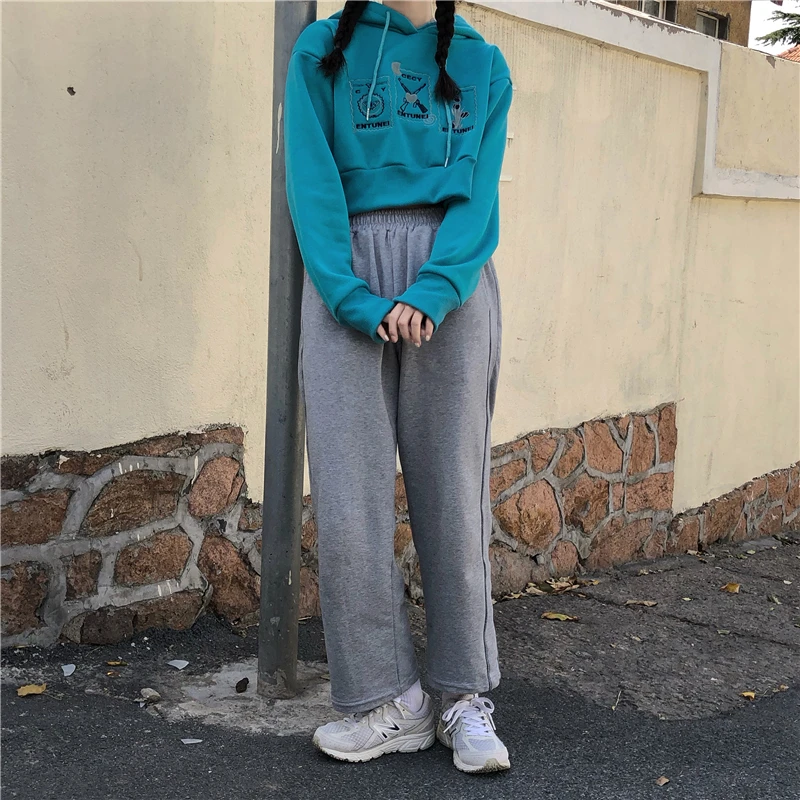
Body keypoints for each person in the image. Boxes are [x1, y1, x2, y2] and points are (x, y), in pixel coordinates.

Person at [284, 0, 513, 774]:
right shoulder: (322, 51)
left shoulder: (483, 64)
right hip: (344, 279)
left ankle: (461, 695)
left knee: (453, 491)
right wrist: (353, 298)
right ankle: (387, 700)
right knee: (348, 500)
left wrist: (435, 289)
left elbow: (478, 196)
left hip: (451, 285)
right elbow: (311, 183)